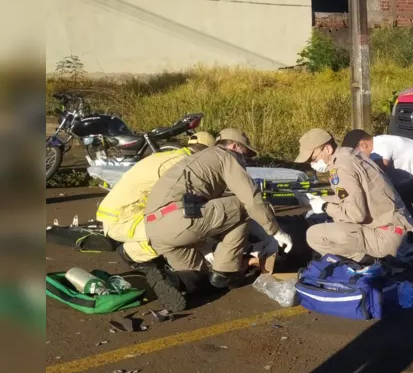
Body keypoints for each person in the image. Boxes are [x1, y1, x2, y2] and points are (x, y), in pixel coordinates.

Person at [144, 128, 293, 311]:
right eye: (245, 155)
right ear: (234, 146)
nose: (245, 161)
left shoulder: (200, 160)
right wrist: (276, 232)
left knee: (203, 282)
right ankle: (226, 270)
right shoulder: (226, 156)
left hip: (154, 229)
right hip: (179, 220)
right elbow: (251, 199)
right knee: (246, 205)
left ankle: (173, 280)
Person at [293, 128, 413, 263]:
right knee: (334, 221)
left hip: (383, 236)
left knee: (314, 235)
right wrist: (321, 199)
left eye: (313, 158)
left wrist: (325, 207)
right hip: (392, 229)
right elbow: (347, 197)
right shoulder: (348, 156)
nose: (312, 164)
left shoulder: (341, 168)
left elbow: (356, 214)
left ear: (327, 149)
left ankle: (366, 264)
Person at [97, 131, 217, 265]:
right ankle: (131, 253)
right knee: (178, 232)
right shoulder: (181, 166)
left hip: (118, 212)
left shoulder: (169, 156)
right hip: (124, 220)